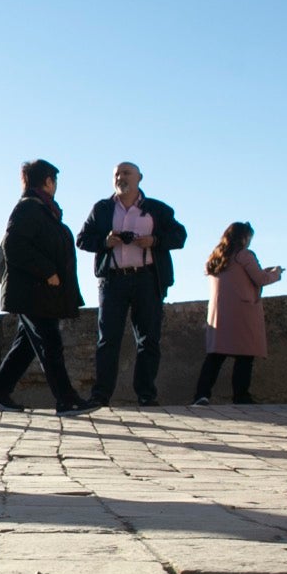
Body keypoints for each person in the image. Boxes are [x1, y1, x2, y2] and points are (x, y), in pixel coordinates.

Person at [0, 159, 92, 415]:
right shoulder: (29, 208)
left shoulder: (42, 209)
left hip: (38, 293)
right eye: (54, 181)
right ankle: (67, 399)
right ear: (48, 181)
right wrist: (48, 271)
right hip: (33, 291)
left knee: (26, 345)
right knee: (50, 343)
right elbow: (14, 246)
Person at [75, 162, 188, 410]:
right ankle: (101, 395)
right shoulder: (103, 209)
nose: (120, 177)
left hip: (147, 278)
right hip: (112, 280)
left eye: (126, 173)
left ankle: (146, 394)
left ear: (139, 178)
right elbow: (82, 239)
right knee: (108, 340)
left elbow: (180, 236)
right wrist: (105, 242)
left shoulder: (156, 209)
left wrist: (155, 241)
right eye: (116, 173)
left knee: (148, 339)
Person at [194, 222, 283, 406]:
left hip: (219, 314)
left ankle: (201, 395)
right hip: (242, 312)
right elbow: (260, 279)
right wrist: (275, 273)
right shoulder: (245, 255)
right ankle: (241, 396)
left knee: (215, 357)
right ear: (244, 237)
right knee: (245, 356)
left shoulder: (216, 258)